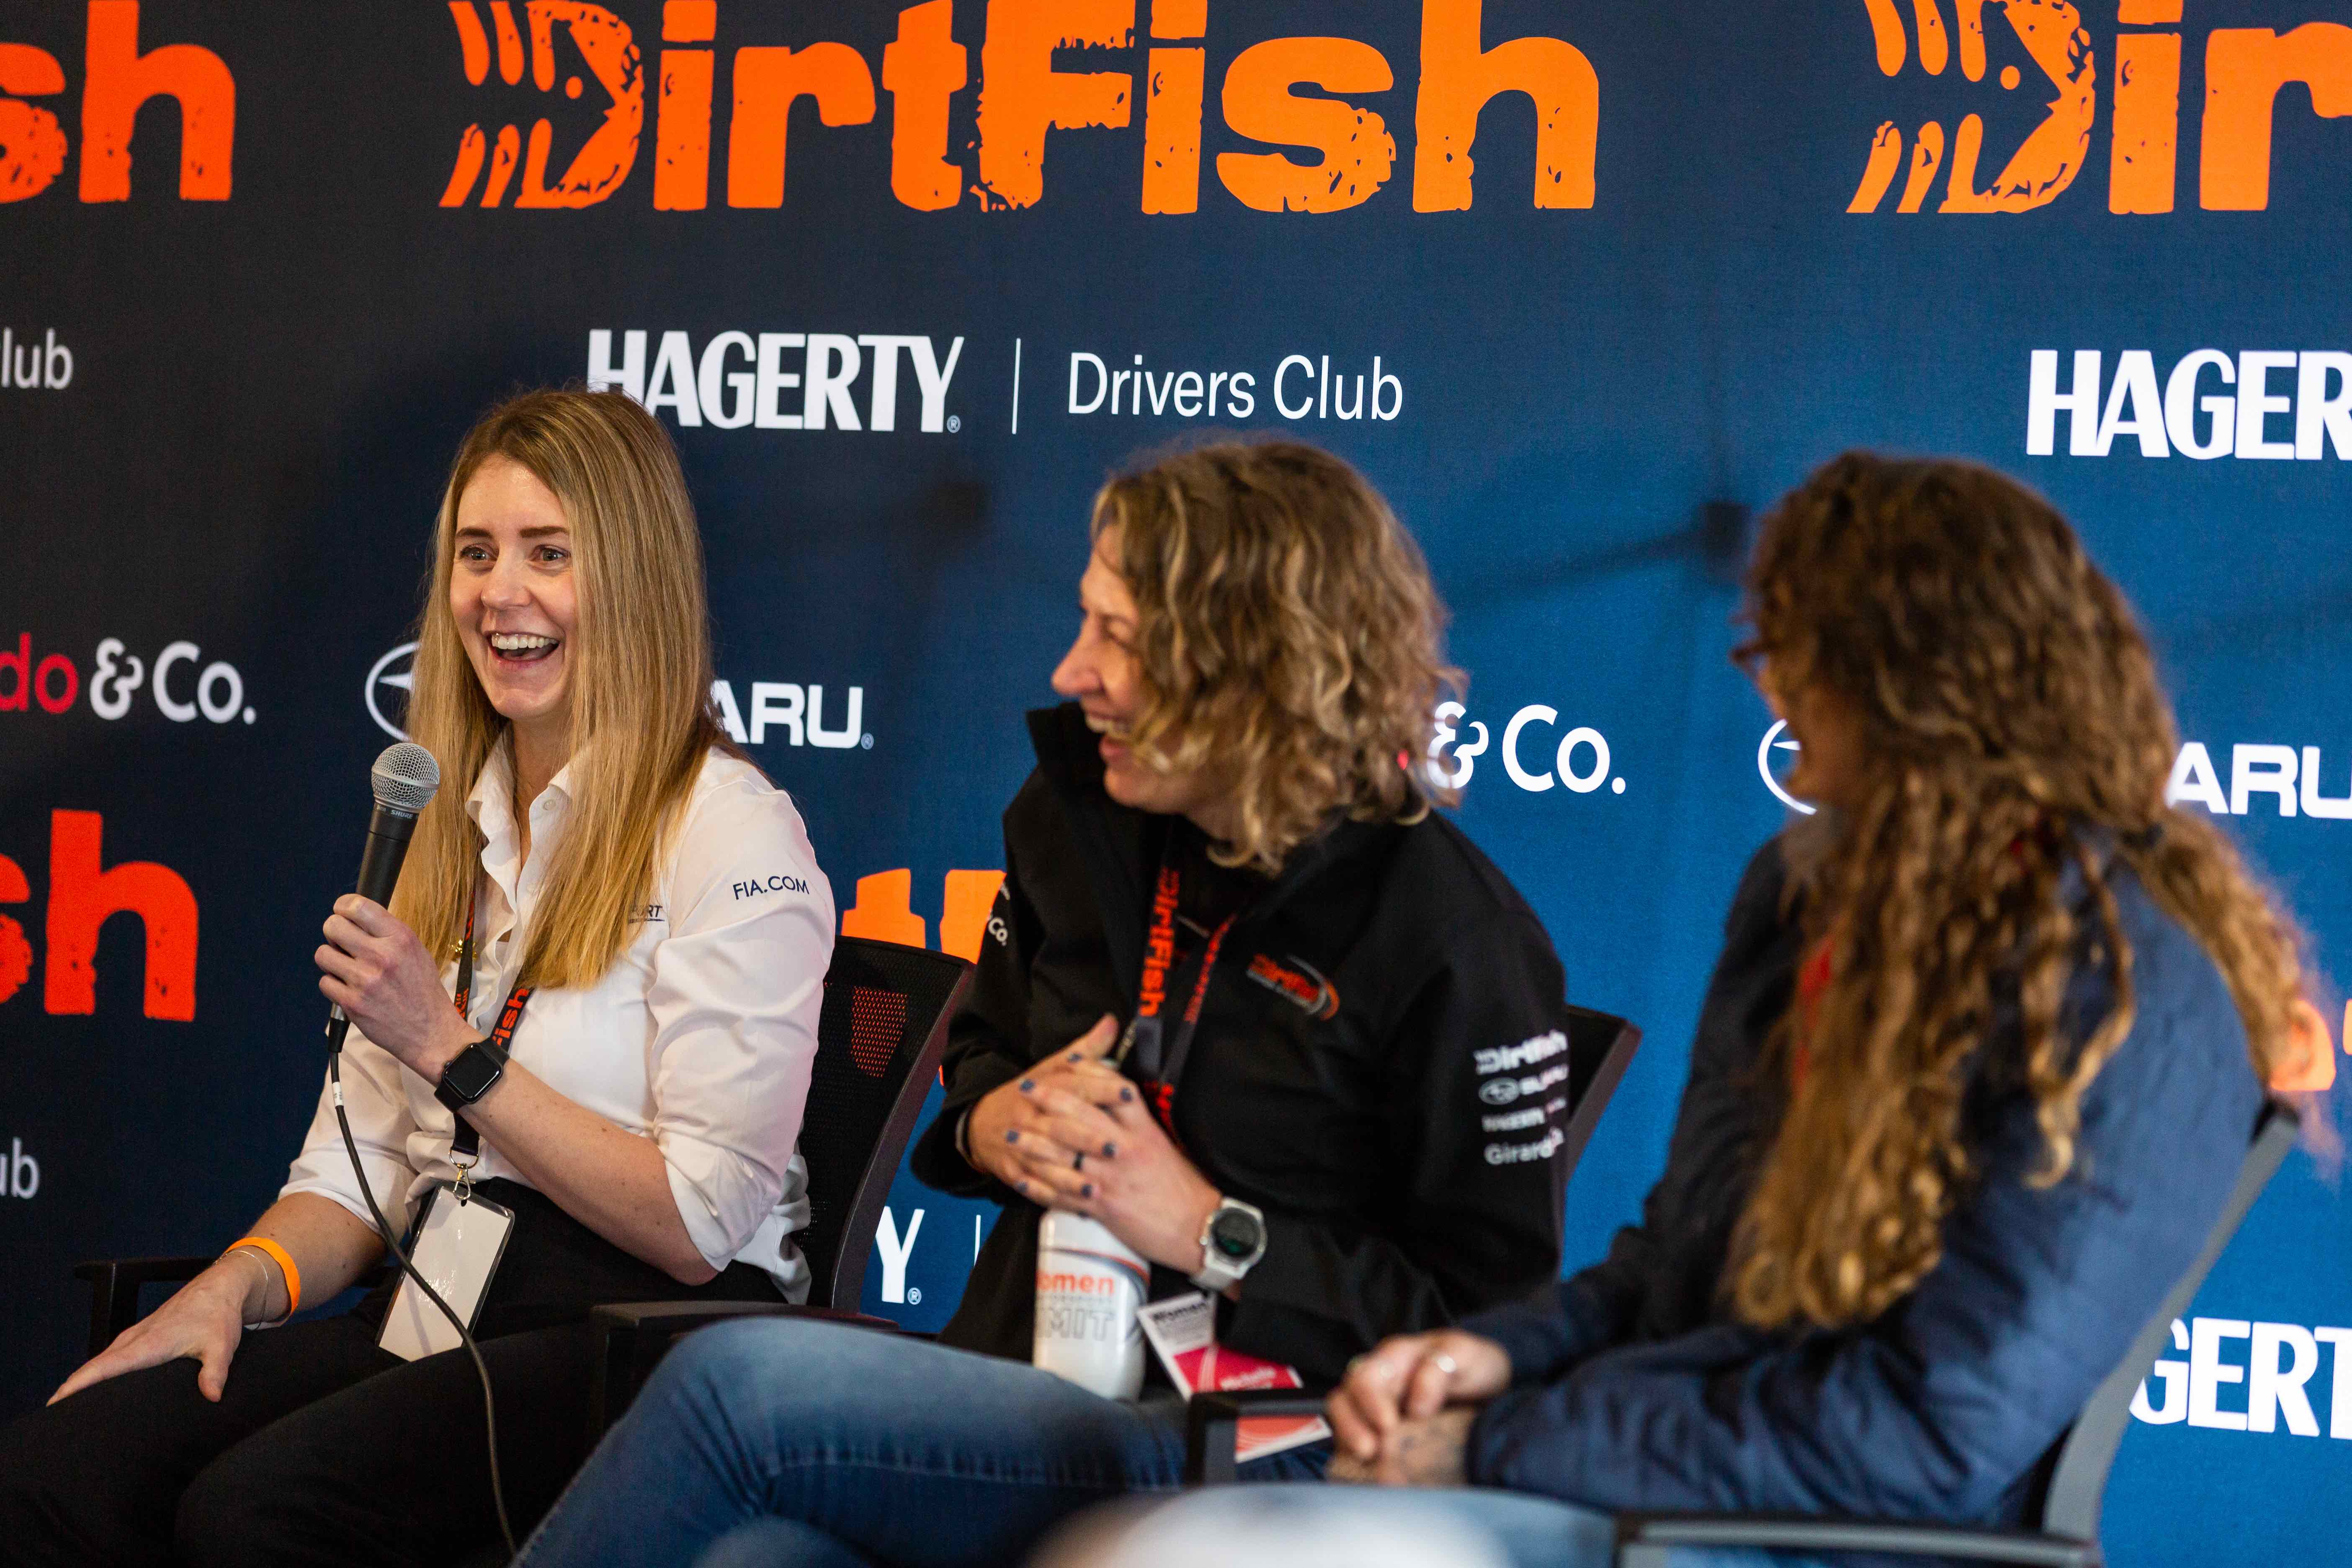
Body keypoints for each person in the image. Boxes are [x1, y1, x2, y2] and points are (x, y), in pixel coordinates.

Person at [1124, 452, 2315, 1568]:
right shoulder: (1809, 898)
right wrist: (1487, 1358)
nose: (1766, 686)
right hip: (1675, 1495)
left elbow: (1926, 1436)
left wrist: (1497, 1445)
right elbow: (1677, 1269)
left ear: (1909, 679)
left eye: (1788, 648)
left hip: (1823, 1537)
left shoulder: (2121, 993)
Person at [514, 438, 1583, 1568]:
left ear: (1252, 663)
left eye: (1120, 637)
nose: (1074, 671)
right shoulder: (1082, 815)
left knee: (737, 1386)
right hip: (1033, 1368)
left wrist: (1209, 1229)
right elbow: (981, 1053)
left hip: (1259, 1443)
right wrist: (997, 1122)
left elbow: (1482, 1327)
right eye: (1086, 621)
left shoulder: (1453, 937)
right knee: (756, 1562)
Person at [0, 388, 835, 1565]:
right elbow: (361, 1174)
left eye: (550, 554)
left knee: (253, 1517)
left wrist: (451, 1050)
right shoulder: (444, 821)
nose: (502, 593)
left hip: (637, 1346)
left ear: (634, 579)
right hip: (437, 1307)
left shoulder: (730, 831)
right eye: (476, 553)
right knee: (55, 1472)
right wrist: (235, 1285)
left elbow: (700, 1223)